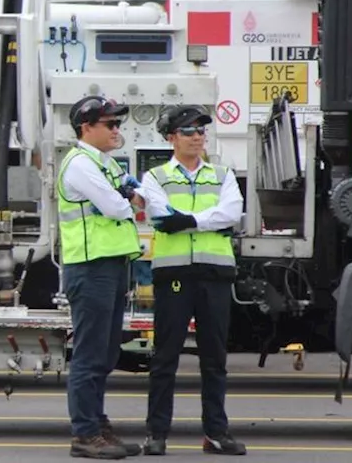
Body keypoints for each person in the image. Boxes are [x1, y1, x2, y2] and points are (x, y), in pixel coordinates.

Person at [137, 105, 247, 456]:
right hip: (174, 275)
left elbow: (232, 212)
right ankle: (157, 433)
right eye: (188, 131)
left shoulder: (223, 173)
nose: (198, 136)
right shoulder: (155, 177)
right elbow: (160, 214)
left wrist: (188, 220)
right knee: (165, 356)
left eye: (201, 130)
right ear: (171, 138)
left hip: (214, 273)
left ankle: (216, 433)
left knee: (214, 358)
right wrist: (210, 220)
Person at [57, 95, 146, 459]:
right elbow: (119, 205)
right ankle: (85, 433)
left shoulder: (103, 163)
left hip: (110, 264)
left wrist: (128, 198)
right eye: (110, 125)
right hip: (90, 266)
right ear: (86, 127)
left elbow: (137, 194)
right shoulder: (80, 164)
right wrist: (126, 200)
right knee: (91, 355)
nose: (116, 131)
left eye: (118, 124)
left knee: (106, 352)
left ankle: (96, 423)